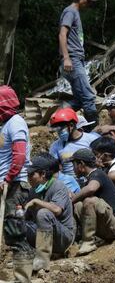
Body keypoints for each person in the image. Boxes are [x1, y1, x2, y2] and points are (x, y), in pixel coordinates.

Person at [0, 85, 33, 282]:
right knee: (10, 231)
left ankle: (23, 278)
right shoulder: (5, 125)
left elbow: (19, 156)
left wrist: (7, 179)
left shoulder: (15, 123)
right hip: (7, 185)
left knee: (15, 232)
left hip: (15, 186)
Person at [71, 148, 115, 255]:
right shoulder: (90, 178)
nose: (73, 169)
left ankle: (88, 242)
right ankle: (76, 239)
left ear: (81, 164)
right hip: (107, 228)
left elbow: (91, 188)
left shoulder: (98, 174)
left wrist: (71, 200)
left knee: (89, 201)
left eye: (73, 165)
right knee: (78, 205)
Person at [59, 0, 99, 129]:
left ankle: (60, 115)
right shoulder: (70, 12)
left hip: (76, 60)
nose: (89, 3)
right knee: (88, 97)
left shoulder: (75, 12)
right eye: (87, 0)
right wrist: (67, 57)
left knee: (80, 99)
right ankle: (94, 131)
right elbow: (62, 34)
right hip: (72, 59)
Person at [25, 155, 75, 272]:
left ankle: (42, 260)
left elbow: (57, 210)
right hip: (45, 237)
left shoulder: (58, 186)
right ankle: (26, 255)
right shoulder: (33, 191)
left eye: (32, 175)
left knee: (43, 213)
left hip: (63, 237)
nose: (28, 178)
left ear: (43, 174)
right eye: (27, 175)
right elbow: (27, 217)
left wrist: (37, 201)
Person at [49, 108, 99, 185]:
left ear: (71, 126)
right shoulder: (56, 146)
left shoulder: (92, 139)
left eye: (61, 129)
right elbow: (53, 170)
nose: (58, 133)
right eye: (57, 130)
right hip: (70, 186)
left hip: (92, 182)